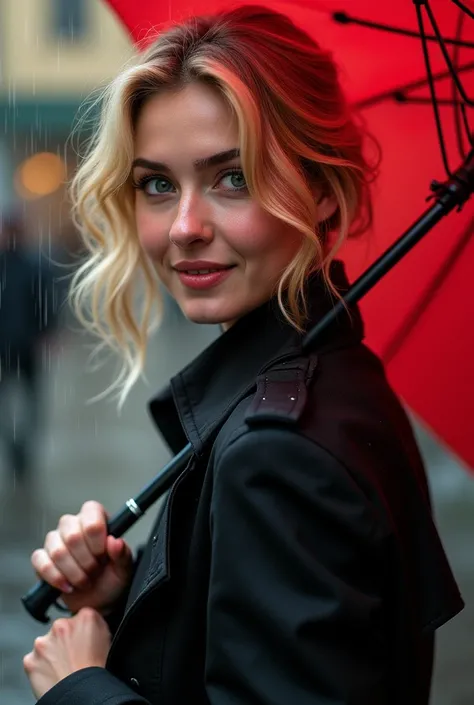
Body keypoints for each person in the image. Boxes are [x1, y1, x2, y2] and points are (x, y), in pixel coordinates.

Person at [23, 5, 464, 705]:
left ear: (321, 191)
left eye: (234, 177)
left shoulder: (277, 453)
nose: (186, 227)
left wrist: (81, 689)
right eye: (158, 184)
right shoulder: (339, 383)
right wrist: (131, 593)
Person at [0, 212, 60, 481]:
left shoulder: (33, 266)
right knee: (24, 403)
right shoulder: (30, 265)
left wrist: (48, 333)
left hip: (25, 347)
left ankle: (21, 449)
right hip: (8, 347)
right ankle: (15, 451)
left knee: (32, 403)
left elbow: (47, 302)